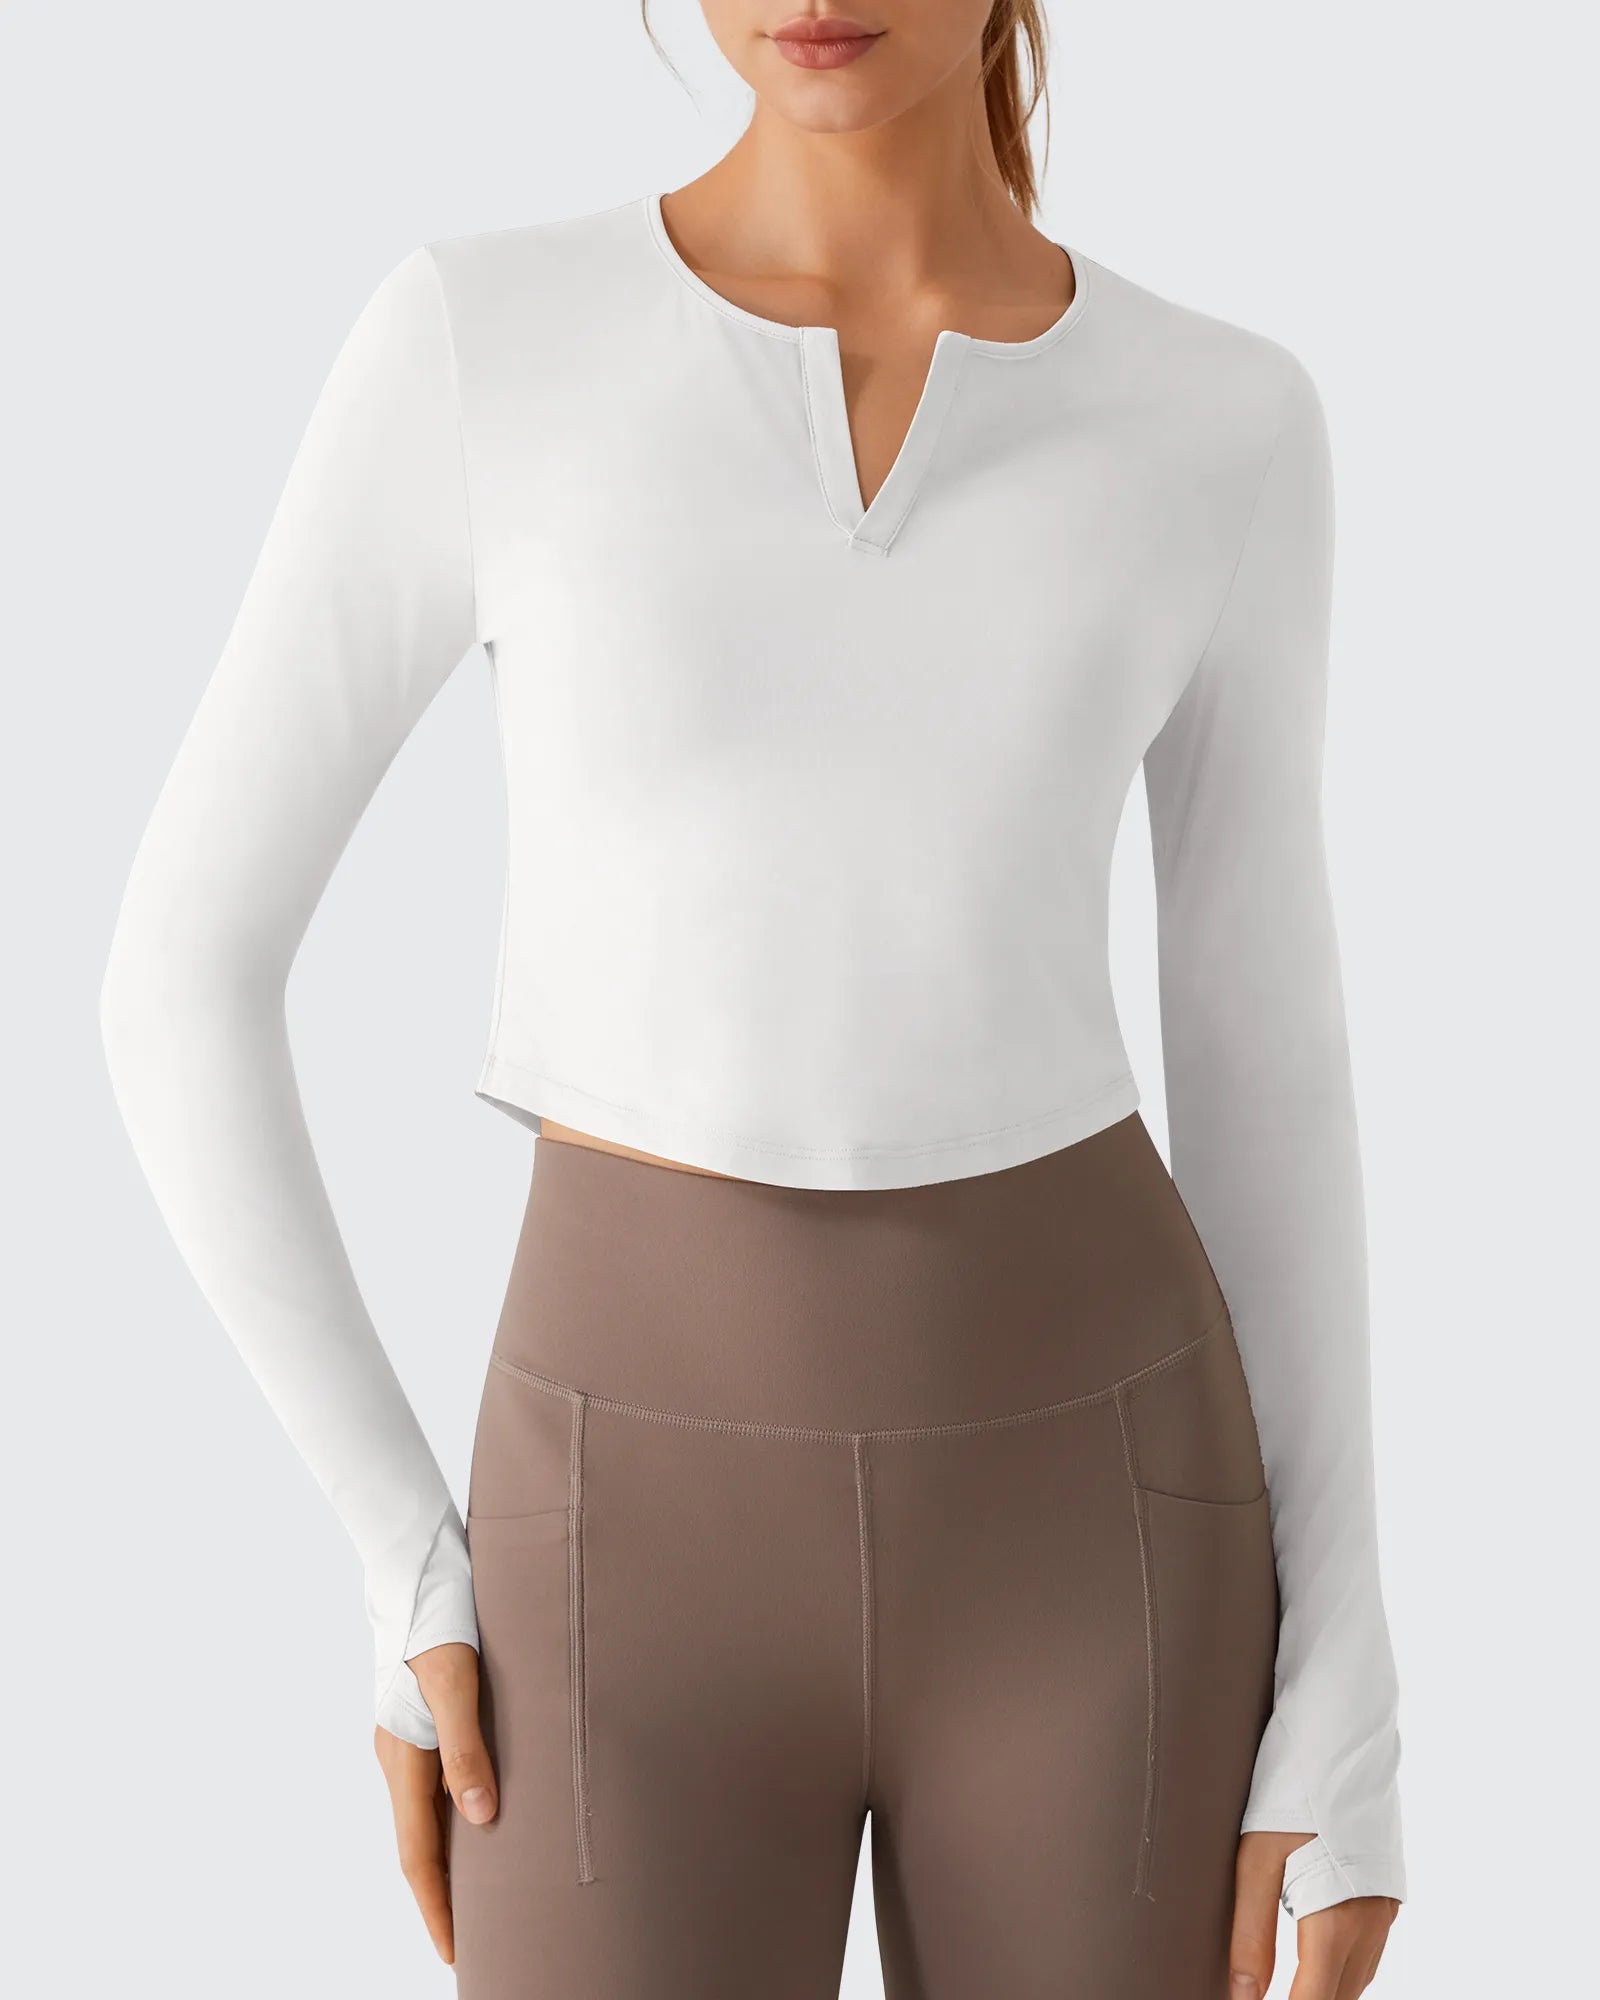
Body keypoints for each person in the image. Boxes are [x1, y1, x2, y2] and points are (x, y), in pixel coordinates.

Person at [100, 3, 1405, 1994]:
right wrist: (399, 1546)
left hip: (1102, 1540)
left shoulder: (1219, 421)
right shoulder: (484, 344)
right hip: (612, 1554)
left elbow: (1263, 1054)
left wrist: (1346, 1666)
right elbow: (179, 970)